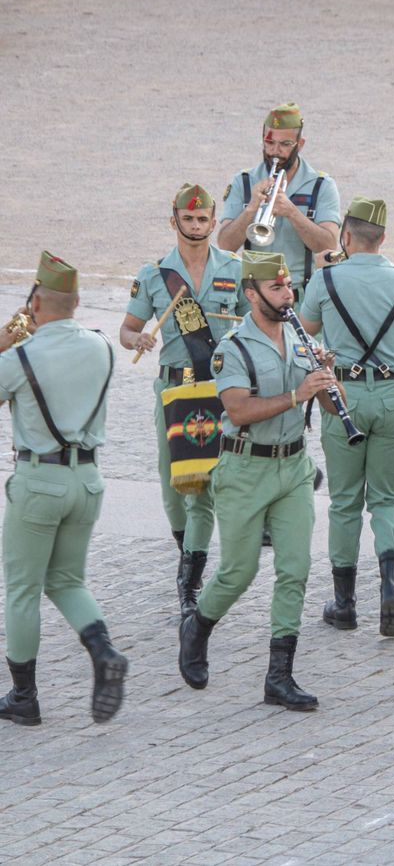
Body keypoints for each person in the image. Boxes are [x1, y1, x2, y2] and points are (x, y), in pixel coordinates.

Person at [178, 251, 342, 711]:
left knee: (296, 569)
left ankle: (279, 677)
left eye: (289, 287)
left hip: (292, 468)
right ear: (252, 293)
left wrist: (329, 383)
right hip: (245, 468)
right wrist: (296, 393)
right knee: (239, 571)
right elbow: (237, 410)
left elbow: (328, 404)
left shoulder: (300, 336)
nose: (288, 296)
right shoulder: (233, 348)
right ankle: (198, 624)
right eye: (277, 289)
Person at [0, 253, 127, 727]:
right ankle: (103, 651)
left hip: (39, 482)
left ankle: (24, 695)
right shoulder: (101, 347)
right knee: (68, 580)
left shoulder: (21, 357)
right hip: (88, 482)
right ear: (76, 302)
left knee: (22, 589)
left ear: (35, 301)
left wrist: (6, 342)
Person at [296, 198, 394, 638]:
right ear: (383, 238)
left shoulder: (326, 279)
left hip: (343, 396)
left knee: (345, 500)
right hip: (393, 395)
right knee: (388, 498)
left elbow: (306, 330)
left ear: (346, 236)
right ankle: (390, 583)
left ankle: (345, 601)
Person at [120, 185, 242, 618]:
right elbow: (127, 329)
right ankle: (186, 548)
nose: (195, 227)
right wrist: (141, 337)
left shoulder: (235, 267)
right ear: (174, 221)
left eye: (202, 219)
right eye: (187, 220)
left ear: (213, 221)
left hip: (219, 388)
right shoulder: (155, 273)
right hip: (173, 391)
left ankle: (189, 583)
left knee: (201, 488)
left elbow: (254, 321)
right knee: (174, 485)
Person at [218, 103, 342, 296]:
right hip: (254, 296)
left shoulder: (321, 185)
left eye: (285, 144)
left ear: (300, 144)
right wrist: (251, 209)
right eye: (269, 143)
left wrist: (292, 213)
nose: (275, 151)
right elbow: (225, 245)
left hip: (300, 294)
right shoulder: (243, 181)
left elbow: (328, 245)